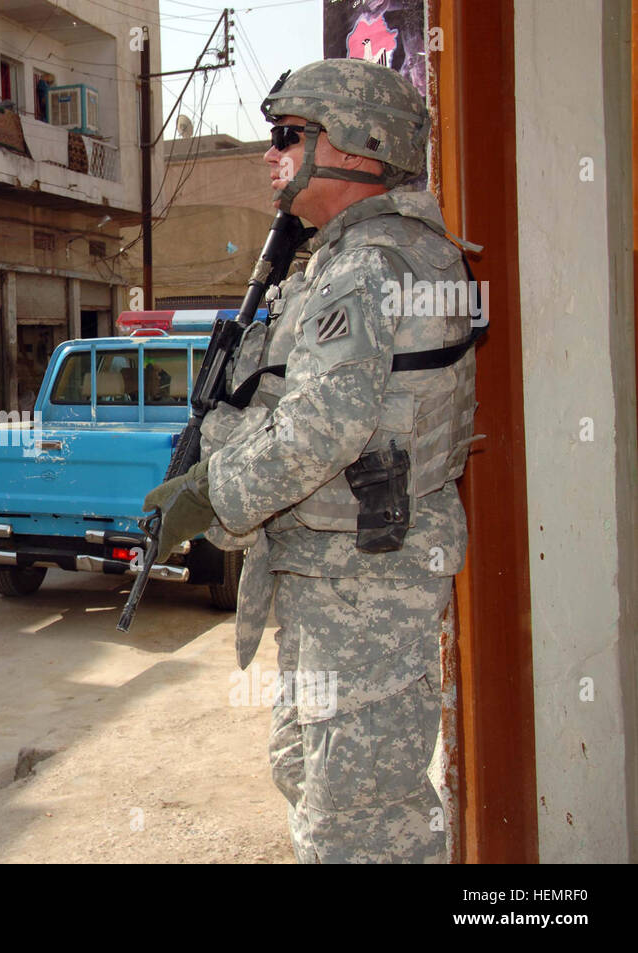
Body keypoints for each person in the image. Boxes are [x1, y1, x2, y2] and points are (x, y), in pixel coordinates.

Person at [143, 58, 480, 863]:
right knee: (311, 773)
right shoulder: (362, 256)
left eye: (289, 136)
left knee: (358, 817)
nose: (272, 154)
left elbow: (318, 430)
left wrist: (210, 493)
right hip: (341, 569)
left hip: (364, 582)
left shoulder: (368, 266)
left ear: (359, 148)